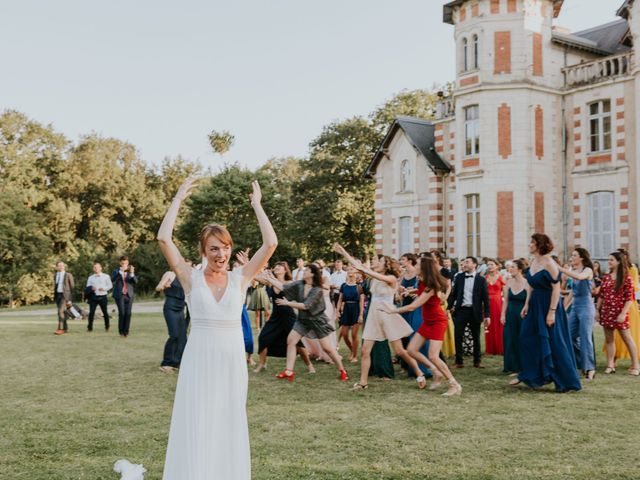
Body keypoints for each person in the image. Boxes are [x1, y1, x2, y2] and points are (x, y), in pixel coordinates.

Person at [157, 178, 277, 480]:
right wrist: (178, 198)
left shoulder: (241, 278)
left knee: (227, 422)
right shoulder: (189, 278)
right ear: (203, 250)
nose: (220, 254)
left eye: (225, 248)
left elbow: (271, 244)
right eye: (214, 248)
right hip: (199, 362)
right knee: (198, 421)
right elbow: (163, 239)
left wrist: (257, 205)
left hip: (230, 363)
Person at [333, 243, 425, 390]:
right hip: (374, 317)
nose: (377, 263)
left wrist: (365, 269)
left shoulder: (391, 279)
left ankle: (420, 373)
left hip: (387, 316)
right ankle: (363, 383)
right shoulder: (373, 278)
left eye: (380, 261)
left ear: (386, 265)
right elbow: (358, 266)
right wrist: (344, 252)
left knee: (400, 351)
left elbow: (364, 269)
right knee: (365, 351)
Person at [380, 256, 462, 396]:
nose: (414, 265)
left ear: (423, 267)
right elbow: (422, 293)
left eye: (417, 264)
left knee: (433, 356)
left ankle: (454, 384)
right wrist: (410, 291)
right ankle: (435, 371)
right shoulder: (423, 281)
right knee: (411, 349)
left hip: (437, 321)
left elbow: (413, 306)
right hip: (428, 321)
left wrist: (393, 310)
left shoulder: (430, 286)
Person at [515, 234, 581, 392]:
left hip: (548, 304)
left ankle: (567, 381)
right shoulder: (533, 261)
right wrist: (526, 304)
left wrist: (551, 312)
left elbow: (556, 288)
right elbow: (530, 285)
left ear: (539, 244)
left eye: (532, 242)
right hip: (534, 304)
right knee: (527, 337)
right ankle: (533, 375)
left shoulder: (549, 262)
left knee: (555, 342)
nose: (529, 244)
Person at [261, 263, 348, 382]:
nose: (304, 271)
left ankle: (342, 370)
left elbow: (306, 306)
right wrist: (269, 279)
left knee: (327, 348)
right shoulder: (300, 284)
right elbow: (283, 287)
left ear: (312, 273)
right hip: (302, 320)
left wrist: (288, 303)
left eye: (307, 270)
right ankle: (288, 371)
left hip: (317, 321)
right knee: (291, 340)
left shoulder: (317, 289)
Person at [253, 261, 314, 374]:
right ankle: (262, 364)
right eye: (275, 266)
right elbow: (254, 276)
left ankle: (310, 365)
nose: (276, 267)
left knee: (298, 343)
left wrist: (271, 279)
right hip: (275, 316)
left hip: (288, 316)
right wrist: (249, 263)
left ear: (285, 270)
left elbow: (283, 288)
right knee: (263, 338)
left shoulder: (290, 282)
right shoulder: (270, 283)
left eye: (279, 266)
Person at [597, 251, 640, 376]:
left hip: (620, 313)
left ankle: (636, 365)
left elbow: (629, 298)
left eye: (611, 260)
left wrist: (622, 314)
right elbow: (601, 295)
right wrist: (597, 310)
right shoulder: (606, 277)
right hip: (606, 312)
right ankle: (610, 365)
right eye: (608, 259)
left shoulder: (627, 278)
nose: (608, 262)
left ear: (619, 262)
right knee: (609, 339)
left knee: (627, 339)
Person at [558, 248, 596, 380]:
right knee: (568, 335)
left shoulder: (587, 270)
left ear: (582, 258)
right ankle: (581, 361)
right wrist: (562, 308)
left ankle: (590, 368)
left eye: (574, 255)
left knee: (585, 337)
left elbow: (579, 277)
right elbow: (572, 293)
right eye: (571, 255)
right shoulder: (572, 272)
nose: (571, 258)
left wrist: (561, 269)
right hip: (575, 307)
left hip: (586, 307)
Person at [448, 256, 490, 368]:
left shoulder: (481, 280)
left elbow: (486, 299)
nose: (464, 264)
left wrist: (487, 315)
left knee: (476, 337)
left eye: (467, 262)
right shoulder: (459, 277)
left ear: (474, 264)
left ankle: (477, 361)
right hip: (461, 310)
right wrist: (448, 308)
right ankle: (459, 362)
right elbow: (454, 294)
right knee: (458, 336)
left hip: (475, 311)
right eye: (464, 262)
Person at [155, 266, 189, 374]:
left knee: (182, 337)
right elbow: (158, 287)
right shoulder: (169, 274)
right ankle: (166, 363)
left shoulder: (185, 278)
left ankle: (177, 362)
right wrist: (163, 286)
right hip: (171, 307)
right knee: (174, 335)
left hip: (181, 308)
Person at [500, 259, 528, 374]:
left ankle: (522, 366)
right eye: (509, 267)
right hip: (510, 313)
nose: (509, 269)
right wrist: (502, 314)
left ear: (520, 270)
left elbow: (529, 301)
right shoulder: (508, 282)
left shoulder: (527, 283)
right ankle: (510, 366)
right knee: (509, 339)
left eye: (513, 267)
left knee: (521, 339)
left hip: (522, 315)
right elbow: (505, 300)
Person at [336, 265, 364, 363]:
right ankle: (352, 350)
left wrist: (361, 315)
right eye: (348, 269)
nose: (349, 271)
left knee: (354, 335)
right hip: (346, 310)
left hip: (356, 309)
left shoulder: (359, 286)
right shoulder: (344, 285)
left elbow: (361, 301)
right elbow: (340, 300)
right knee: (344, 334)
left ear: (356, 272)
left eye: (351, 269)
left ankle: (355, 355)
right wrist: (337, 311)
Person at [112, 256, 137, 337]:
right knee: (122, 313)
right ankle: (121, 331)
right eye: (122, 263)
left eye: (126, 263)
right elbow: (113, 279)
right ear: (120, 263)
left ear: (128, 263)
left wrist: (132, 273)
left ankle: (126, 332)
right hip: (120, 295)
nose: (124, 265)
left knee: (128, 313)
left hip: (129, 295)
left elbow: (135, 281)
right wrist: (120, 272)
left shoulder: (130, 271)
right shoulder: (116, 271)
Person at [484, 259, 505, 356]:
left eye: (492, 264)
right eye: (488, 264)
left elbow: (505, 293)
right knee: (488, 325)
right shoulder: (484, 278)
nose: (490, 266)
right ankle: (490, 349)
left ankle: (500, 348)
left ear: (497, 266)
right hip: (487, 304)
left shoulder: (501, 278)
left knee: (499, 325)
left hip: (498, 304)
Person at [86, 262, 112, 332]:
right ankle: (89, 327)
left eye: (97, 267)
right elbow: (87, 286)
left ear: (100, 268)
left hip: (103, 296)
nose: (96, 269)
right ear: (93, 269)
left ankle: (107, 326)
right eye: (95, 267)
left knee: (105, 312)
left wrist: (104, 288)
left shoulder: (106, 276)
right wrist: (91, 288)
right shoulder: (90, 277)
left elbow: (110, 285)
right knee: (91, 312)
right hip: (93, 296)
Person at [53, 261, 74, 335]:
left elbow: (72, 288)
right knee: (62, 312)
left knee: (60, 311)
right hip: (58, 295)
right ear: (56, 267)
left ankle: (60, 328)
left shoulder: (68, 275)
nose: (61, 267)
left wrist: (70, 300)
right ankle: (65, 328)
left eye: (62, 265)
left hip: (65, 296)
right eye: (59, 265)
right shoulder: (56, 275)